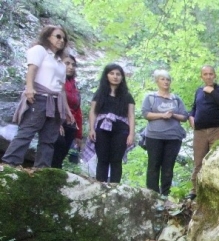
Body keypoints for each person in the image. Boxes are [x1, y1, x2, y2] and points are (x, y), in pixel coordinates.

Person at [2, 25, 72, 168]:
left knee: (48, 139)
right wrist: (29, 88)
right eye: (58, 36)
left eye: (64, 38)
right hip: (39, 97)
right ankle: (10, 164)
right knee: (26, 132)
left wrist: (67, 111)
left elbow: (62, 89)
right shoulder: (39, 50)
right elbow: (32, 69)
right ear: (48, 37)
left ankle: (42, 169)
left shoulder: (60, 63)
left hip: (55, 101)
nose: (61, 40)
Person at [141, 70, 189, 196]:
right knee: (154, 165)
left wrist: (173, 115)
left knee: (168, 167)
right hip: (154, 136)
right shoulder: (150, 97)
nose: (166, 82)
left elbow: (184, 117)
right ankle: (152, 195)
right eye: (162, 79)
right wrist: (162, 115)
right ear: (157, 81)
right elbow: (146, 114)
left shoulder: (176, 99)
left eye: (168, 79)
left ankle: (165, 196)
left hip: (173, 137)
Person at [86, 63, 135, 183]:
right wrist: (91, 129)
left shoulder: (127, 96)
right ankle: (100, 186)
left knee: (116, 160)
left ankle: (115, 188)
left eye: (118, 74)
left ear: (122, 77)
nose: (115, 76)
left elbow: (131, 115)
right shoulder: (99, 94)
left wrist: (131, 134)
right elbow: (93, 112)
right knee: (102, 159)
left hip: (121, 130)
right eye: (112, 73)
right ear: (106, 76)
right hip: (102, 129)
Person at [187, 65, 219, 200]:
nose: (208, 76)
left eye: (211, 74)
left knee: (216, 160)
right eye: (205, 74)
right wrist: (191, 117)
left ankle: (215, 189)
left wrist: (212, 92)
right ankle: (195, 191)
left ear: (215, 75)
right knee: (198, 162)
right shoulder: (198, 91)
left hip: (217, 129)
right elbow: (194, 108)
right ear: (202, 76)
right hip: (199, 131)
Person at [51, 54, 82, 168]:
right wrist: (56, 121)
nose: (71, 67)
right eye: (67, 63)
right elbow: (52, 101)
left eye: (73, 65)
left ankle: (56, 175)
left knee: (63, 151)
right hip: (56, 118)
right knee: (58, 144)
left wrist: (78, 135)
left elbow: (78, 111)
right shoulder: (55, 80)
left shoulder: (74, 84)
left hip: (70, 123)